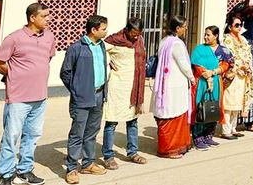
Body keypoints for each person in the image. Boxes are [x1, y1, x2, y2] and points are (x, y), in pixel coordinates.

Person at [0, 3, 55, 185]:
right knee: (11, 137)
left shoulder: (49, 36)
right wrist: (14, 74)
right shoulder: (14, 38)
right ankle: (6, 175)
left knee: (33, 136)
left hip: (40, 97)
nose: (48, 19)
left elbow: (48, 58)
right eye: (44, 16)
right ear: (32, 18)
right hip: (18, 98)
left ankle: (25, 170)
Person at [61, 15, 109, 184]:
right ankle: (72, 167)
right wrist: (77, 90)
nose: (106, 31)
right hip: (82, 97)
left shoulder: (101, 45)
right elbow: (65, 72)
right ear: (93, 30)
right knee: (77, 133)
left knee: (92, 132)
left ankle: (88, 163)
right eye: (103, 28)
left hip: (99, 94)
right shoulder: (76, 47)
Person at [101, 18, 148, 170]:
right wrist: (107, 60)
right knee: (112, 122)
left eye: (138, 34)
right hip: (118, 87)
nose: (136, 37)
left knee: (132, 121)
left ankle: (132, 152)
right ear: (126, 30)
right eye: (133, 34)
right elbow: (98, 48)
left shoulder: (139, 40)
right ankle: (108, 156)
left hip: (134, 88)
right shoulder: (115, 40)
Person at [151, 16, 194, 159]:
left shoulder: (164, 41)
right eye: (185, 26)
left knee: (167, 114)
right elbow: (184, 66)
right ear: (178, 28)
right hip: (175, 86)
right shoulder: (177, 44)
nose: (186, 28)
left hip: (165, 84)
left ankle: (174, 146)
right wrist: (192, 78)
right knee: (173, 116)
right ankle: (170, 149)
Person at [189, 26, 227, 149]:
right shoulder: (199, 49)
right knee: (201, 107)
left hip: (216, 82)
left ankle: (209, 136)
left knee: (213, 108)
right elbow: (196, 64)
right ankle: (198, 137)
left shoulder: (223, 50)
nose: (205, 37)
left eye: (208, 35)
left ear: (216, 36)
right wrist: (206, 74)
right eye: (205, 34)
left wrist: (214, 72)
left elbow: (227, 64)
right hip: (202, 82)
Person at [221, 15, 253, 134]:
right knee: (229, 101)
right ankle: (225, 130)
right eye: (237, 25)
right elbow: (229, 56)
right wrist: (240, 65)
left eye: (241, 25)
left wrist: (249, 66)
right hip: (233, 74)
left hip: (244, 74)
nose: (239, 27)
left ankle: (233, 128)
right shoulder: (226, 39)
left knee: (238, 101)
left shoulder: (243, 39)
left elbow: (248, 54)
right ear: (230, 26)